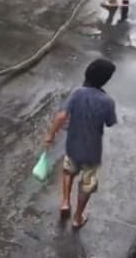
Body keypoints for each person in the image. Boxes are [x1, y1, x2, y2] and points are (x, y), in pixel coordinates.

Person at [44, 58, 118, 230]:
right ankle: (78, 218)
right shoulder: (108, 101)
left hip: (73, 145)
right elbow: (109, 122)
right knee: (87, 183)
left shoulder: (77, 93)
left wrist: (50, 135)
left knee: (68, 171)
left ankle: (64, 202)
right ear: (106, 79)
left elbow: (61, 116)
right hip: (92, 151)